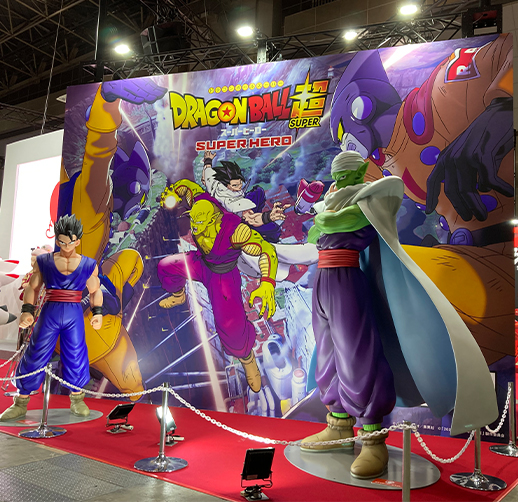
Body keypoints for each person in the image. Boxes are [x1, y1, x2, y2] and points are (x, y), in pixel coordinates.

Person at [301, 151, 497, 479]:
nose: (338, 179)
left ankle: (372, 438)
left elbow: (388, 191)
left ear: (359, 172)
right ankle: (338, 425)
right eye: (336, 173)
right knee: (327, 356)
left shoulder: (368, 203)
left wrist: (350, 197)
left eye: (345, 173)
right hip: (323, 282)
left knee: (355, 357)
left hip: (347, 280)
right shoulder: (333, 203)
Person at [157, 190, 278, 393]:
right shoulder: (200, 203)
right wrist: (174, 192)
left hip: (224, 277)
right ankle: (179, 295)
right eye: (193, 223)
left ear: (214, 220)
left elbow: (266, 250)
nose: (196, 230)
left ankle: (247, 360)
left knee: (232, 331)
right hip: (201, 263)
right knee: (165, 266)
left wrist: (267, 282)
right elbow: (187, 188)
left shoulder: (236, 231)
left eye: (201, 225)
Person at [0, 215, 103, 421]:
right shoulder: (45, 261)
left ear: (78, 241)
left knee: (76, 353)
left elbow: (95, 290)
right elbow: (33, 287)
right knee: (36, 351)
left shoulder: (88, 264)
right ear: (57, 240)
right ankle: (21, 401)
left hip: (73, 311)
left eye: (70, 242)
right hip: (50, 310)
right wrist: (27, 311)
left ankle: (77, 398)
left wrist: (98, 313)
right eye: (62, 242)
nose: (66, 247)